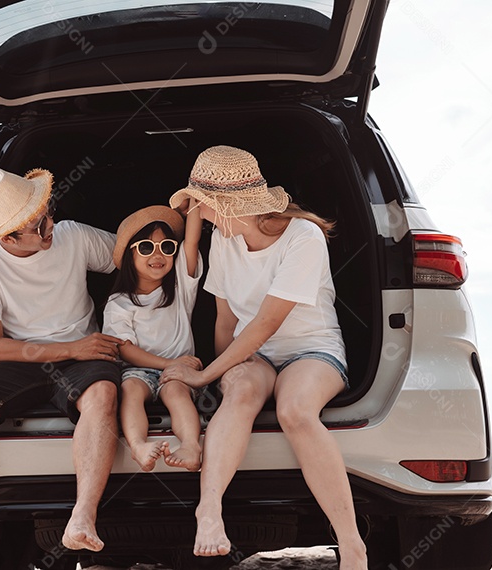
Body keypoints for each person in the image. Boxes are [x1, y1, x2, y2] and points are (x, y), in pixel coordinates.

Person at [161, 146, 367, 569]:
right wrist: (225, 376)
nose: (203, 216)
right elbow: (225, 321)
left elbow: (264, 324)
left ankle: (351, 544)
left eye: (204, 207)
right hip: (255, 354)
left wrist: (203, 377)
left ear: (229, 205)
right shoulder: (225, 240)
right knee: (240, 393)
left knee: (295, 411)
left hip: (311, 349)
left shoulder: (302, 238)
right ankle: (209, 511)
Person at [0, 167, 124, 570]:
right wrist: (69, 347)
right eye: (39, 225)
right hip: (22, 360)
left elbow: (135, 253)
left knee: (103, 395)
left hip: (81, 358)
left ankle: (82, 517)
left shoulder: (71, 235)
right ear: (8, 237)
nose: (50, 225)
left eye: (47, 213)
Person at [103, 205, 205, 472]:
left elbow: (192, 239)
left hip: (178, 374)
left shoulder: (180, 288)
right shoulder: (119, 303)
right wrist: (169, 364)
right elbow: (125, 350)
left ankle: (192, 446)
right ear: (130, 255)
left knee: (176, 392)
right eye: (147, 248)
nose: (158, 255)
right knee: (131, 390)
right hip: (141, 371)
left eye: (167, 247)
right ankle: (138, 445)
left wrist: (195, 199)